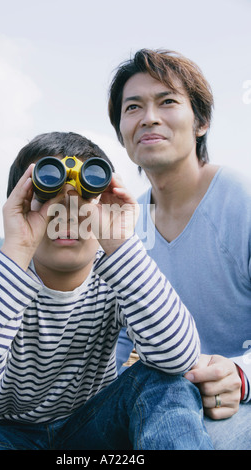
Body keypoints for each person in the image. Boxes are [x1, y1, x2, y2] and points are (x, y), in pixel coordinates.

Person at [0, 131, 212, 450]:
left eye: (86, 200)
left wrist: (121, 245)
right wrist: (17, 246)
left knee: (164, 380)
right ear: (17, 204)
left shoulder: (118, 277)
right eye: (46, 197)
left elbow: (177, 358)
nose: (66, 216)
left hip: (88, 430)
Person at [108, 48, 251, 450]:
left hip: (234, 401)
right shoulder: (123, 224)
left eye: (167, 101)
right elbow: (113, 342)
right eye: (133, 107)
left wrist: (240, 374)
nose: (148, 117)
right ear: (122, 131)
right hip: (162, 400)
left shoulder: (241, 201)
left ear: (201, 121)